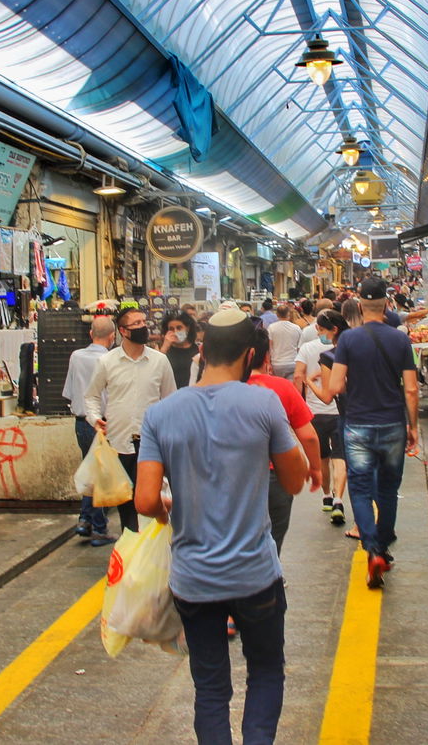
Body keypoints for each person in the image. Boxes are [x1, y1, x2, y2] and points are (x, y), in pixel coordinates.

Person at [135, 310, 309, 745]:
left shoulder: (161, 414)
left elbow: (144, 501)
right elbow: (293, 480)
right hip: (255, 575)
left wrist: (169, 508)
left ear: (200, 351)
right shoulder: (264, 403)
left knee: (210, 687)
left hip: (194, 579)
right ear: (250, 355)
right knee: (266, 671)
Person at [324, 277, 419, 589]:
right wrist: (413, 426)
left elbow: (336, 386)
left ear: (360, 306)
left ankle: (373, 549)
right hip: (393, 424)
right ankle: (383, 545)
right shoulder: (400, 339)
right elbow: (411, 389)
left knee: (361, 489)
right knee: (388, 490)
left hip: (358, 425)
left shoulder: (349, 341)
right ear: (387, 305)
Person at [84, 307, 176, 534]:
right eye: (136, 324)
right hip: (119, 442)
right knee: (126, 504)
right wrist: (95, 419)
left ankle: (153, 549)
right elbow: (91, 396)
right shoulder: (107, 362)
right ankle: (129, 548)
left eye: (144, 322)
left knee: (151, 500)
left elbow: (171, 400)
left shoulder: (159, 361)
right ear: (123, 331)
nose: (143, 327)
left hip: (151, 443)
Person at [247, 326, 322, 554]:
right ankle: (271, 576)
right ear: (266, 355)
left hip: (235, 476)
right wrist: (315, 468)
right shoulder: (281, 387)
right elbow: (308, 436)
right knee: (273, 537)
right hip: (275, 476)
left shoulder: (221, 389)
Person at [62, 316, 116, 546]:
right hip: (104, 424)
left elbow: (69, 392)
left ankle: (85, 520)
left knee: (91, 470)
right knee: (101, 475)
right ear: (113, 337)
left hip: (82, 423)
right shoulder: (112, 359)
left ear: (90, 334)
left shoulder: (76, 356)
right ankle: (99, 529)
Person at [298, 309, 349, 524]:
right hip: (343, 414)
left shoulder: (316, 352)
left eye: (320, 329)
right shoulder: (350, 348)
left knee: (322, 458)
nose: (318, 332)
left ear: (331, 329)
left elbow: (325, 393)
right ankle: (338, 499)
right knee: (340, 458)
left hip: (316, 412)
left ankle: (327, 496)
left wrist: (309, 382)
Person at [160, 312, 199, 389]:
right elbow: (156, 371)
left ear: (187, 328)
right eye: (171, 329)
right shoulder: (162, 350)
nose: (175, 332)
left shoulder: (197, 349)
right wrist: (165, 347)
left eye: (179, 328)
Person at [266, 304, 302, 380]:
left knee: (278, 388)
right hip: (292, 362)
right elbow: (299, 347)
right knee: (290, 388)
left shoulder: (271, 328)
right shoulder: (296, 328)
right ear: (288, 314)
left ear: (277, 314)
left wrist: (268, 363)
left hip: (277, 363)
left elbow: (269, 347)